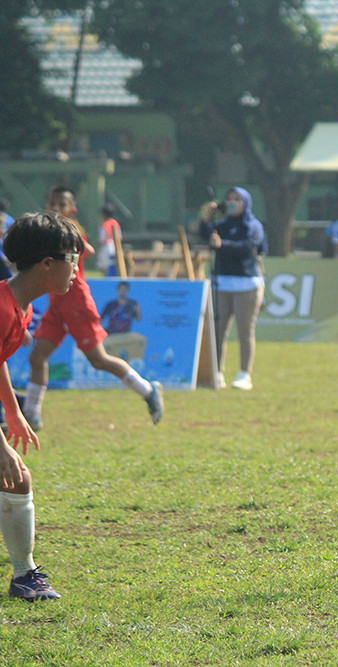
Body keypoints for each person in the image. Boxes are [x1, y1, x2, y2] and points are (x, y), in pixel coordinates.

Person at [22, 186, 163, 431]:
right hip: (57, 305)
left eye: (61, 204)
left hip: (76, 304)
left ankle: (148, 390)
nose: (55, 208)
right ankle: (32, 415)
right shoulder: (46, 232)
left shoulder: (70, 230)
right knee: (37, 357)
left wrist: (64, 235)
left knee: (99, 360)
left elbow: (88, 250)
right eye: (52, 204)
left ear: (71, 210)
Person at [1, 210, 88, 600]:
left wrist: (13, 412)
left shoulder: (21, 306)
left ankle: (25, 577)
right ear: (47, 264)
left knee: (18, 479)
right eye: (73, 259)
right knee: (13, 473)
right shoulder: (3, 308)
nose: (77, 269)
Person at [198, 187, 267, 391]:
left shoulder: (253, 225)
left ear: (245, 202)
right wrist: (206, 218)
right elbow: (205, 236)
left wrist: (223, 245)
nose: (233, 203)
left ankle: (244, 374)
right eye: (229, 199)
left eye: (237, 199)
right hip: (222, 282)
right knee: (218, 330)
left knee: (245, 331)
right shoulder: (221, 225)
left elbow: (248, 246)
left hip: (246, 284)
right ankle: (217, 372)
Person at [96, 204, 121, 277]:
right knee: (113, 268)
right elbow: (119, 237)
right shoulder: (115, 223)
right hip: (114, 246)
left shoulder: (104, 224)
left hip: (106, 247)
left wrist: (98, 249)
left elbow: (102, 239)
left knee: (105, 269)